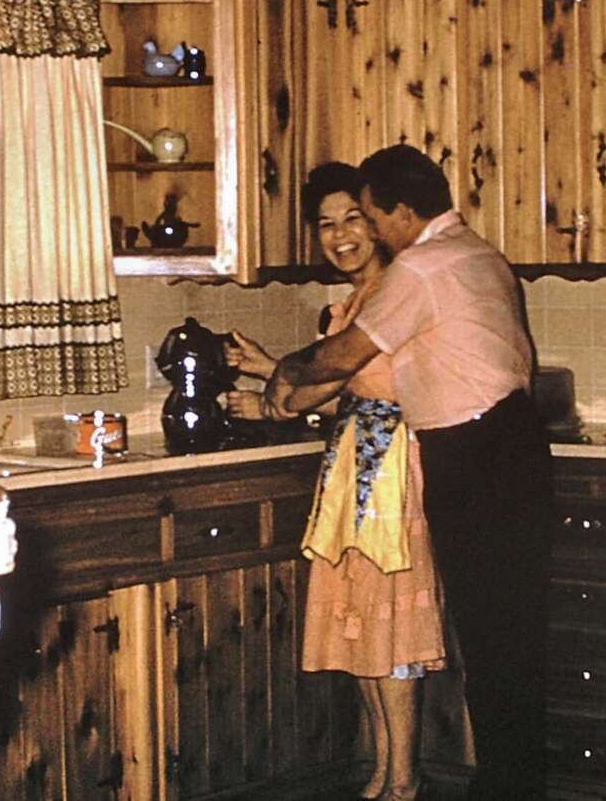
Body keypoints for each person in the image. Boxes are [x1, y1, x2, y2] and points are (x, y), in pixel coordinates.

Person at [264, 145, 553, 801]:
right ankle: (514, 785)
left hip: (472, 455)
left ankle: (506, 789)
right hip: (512, 448)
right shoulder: (480, 254)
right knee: (509, 636)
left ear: (399, 211)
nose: (366, 229)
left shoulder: (420, 267)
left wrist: (287, 371)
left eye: (368, 214)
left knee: (492, 637)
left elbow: (348, 352)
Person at [225, 161, 446, 801]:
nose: (341, 235)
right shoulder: (350, 304)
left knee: (392, 628)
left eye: (354, 218)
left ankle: (403, 780)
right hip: (355, 469)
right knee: (364, 624)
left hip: (395, 473)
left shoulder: (397, 291)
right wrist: (272, 373)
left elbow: (377, 387)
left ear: (378, 225)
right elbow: (350, 388)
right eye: (326, 224)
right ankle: (382, 772)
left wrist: (278, 393)